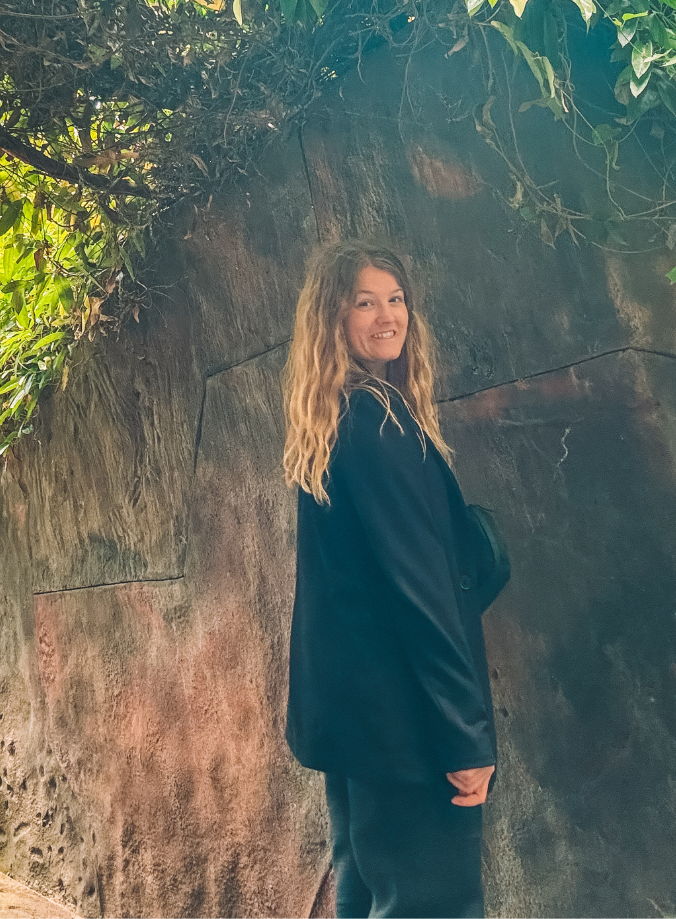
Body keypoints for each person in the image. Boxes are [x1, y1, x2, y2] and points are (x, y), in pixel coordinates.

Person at [282, 239, 500, 919]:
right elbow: (420, 591)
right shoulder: (377, 422)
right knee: (433, 904)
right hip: (408, 726)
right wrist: (464, 734)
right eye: (365, 303)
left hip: (360, 726)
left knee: (367, 889)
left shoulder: (334, 418)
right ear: (334, 319)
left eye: (396, 299)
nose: (387, 316)